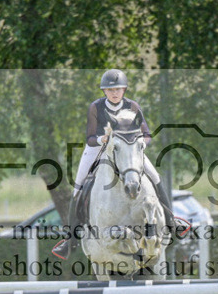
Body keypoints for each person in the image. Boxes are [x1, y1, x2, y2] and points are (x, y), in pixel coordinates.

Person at [51, 69, 181, 260]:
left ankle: (172, 222)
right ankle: (70, 240)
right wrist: (102, 139)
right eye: (110, 90)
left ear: (124, 90)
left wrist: (140, 144)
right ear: (104, 91)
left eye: (118, 89)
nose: (114, 93)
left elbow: (146, 134)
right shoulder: (95, 107)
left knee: (154, 177)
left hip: (130, 150)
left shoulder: (133, 106)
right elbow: (89, 138)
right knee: (78, 186)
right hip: (99, 147)